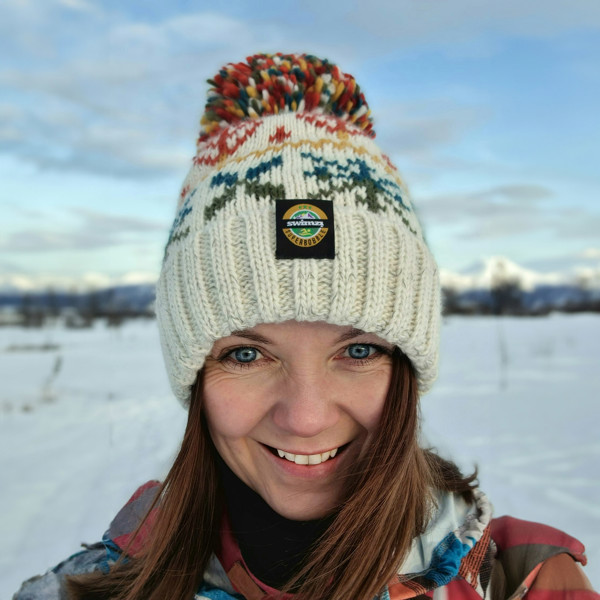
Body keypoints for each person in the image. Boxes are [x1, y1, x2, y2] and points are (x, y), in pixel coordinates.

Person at [14, 52, 598, 600]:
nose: (306, 417)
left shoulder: (522, 579)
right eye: (246, 355)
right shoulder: (95, 588)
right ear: (194, 376)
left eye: (360, 349)